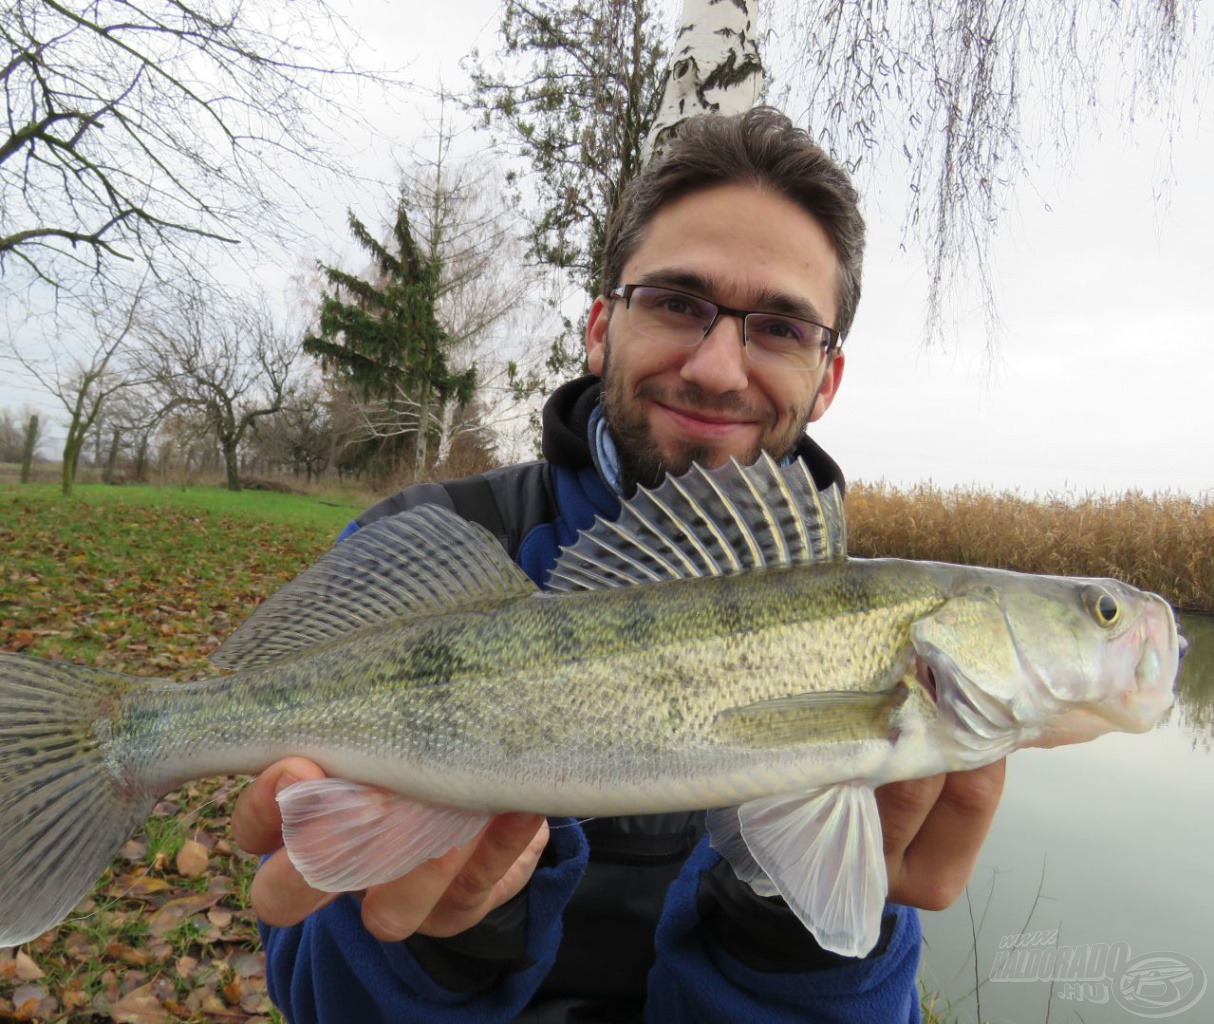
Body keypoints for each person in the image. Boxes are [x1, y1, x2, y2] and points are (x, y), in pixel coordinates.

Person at [232, 107, 1006, 1023]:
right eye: (679, 304)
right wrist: (446, 941)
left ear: (828, 378)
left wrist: (795, 925)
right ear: (601, 328)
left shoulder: (871, 647)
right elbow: (314, 993)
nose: (720, 368)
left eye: (782, 328)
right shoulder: (432, 542)